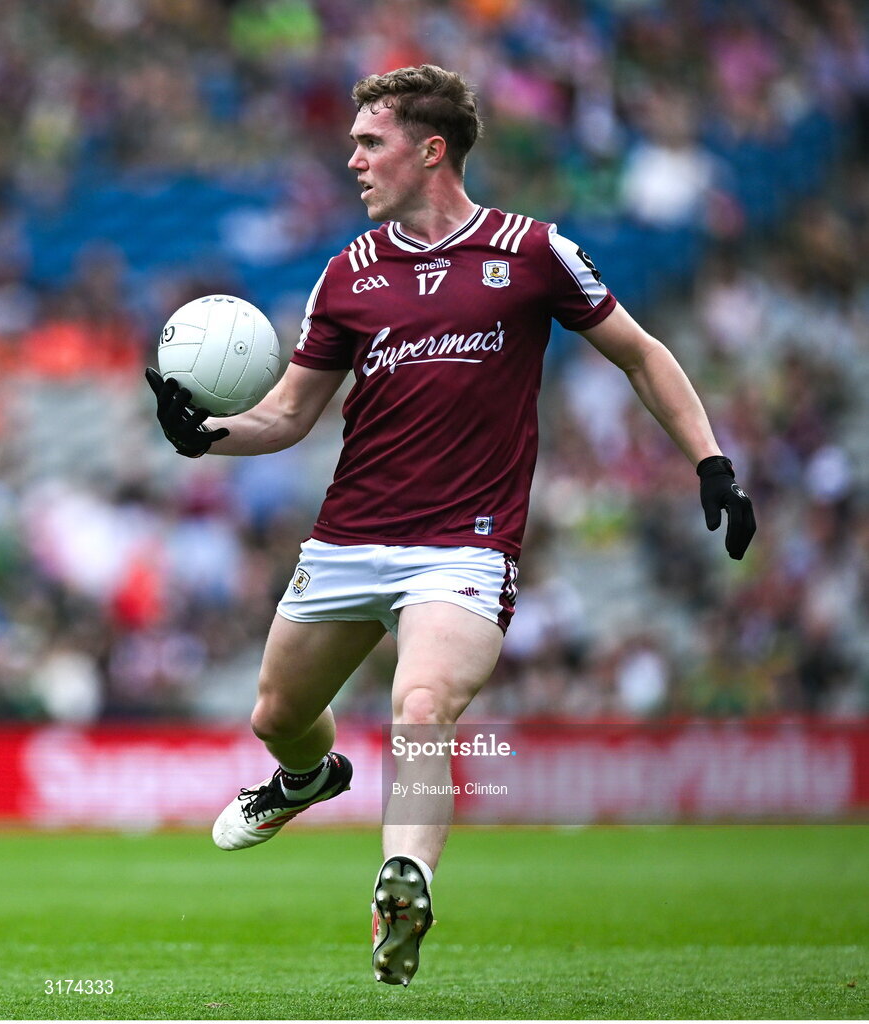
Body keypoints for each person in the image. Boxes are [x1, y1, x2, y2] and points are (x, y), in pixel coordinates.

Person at [146, 64, 756, 987]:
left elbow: (640, 354)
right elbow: (289, 414)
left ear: (431, 150)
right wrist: (204, 435)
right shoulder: (348, 272)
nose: (352, 159)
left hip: (464, 546)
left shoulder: (533, 251)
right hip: (348, 539)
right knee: (277, 715)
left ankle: (404, 881)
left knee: (423, 705)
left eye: (370, 142)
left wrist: (710, 460)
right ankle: (307, 778)